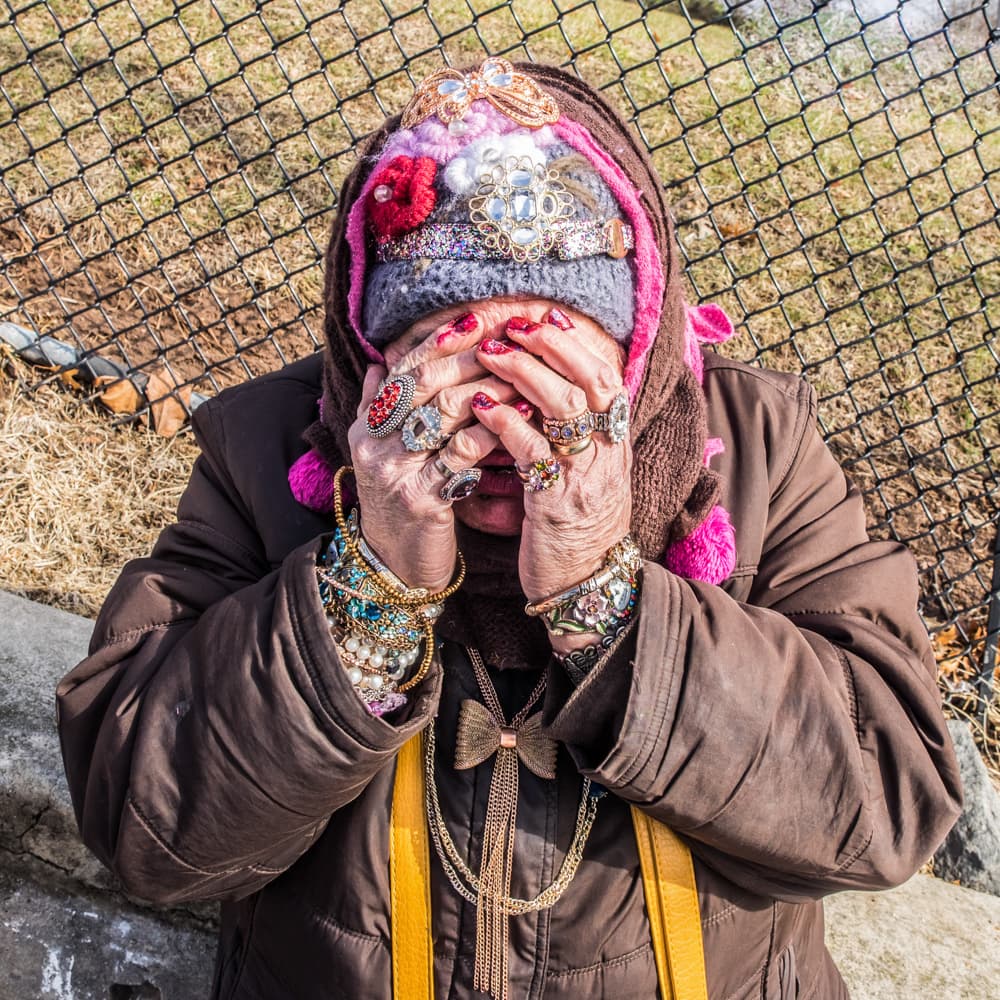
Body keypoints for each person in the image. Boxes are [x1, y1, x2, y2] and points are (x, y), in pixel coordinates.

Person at [57, 60, 961, 999]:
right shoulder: (271, 451)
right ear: (369, 352)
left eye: (547, 365)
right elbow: (150, 831)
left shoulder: (759, 450)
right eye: (445, 358)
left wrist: (606, 600)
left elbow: (883, 797)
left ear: (635, 345)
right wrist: (369, 588)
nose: (497, 425)